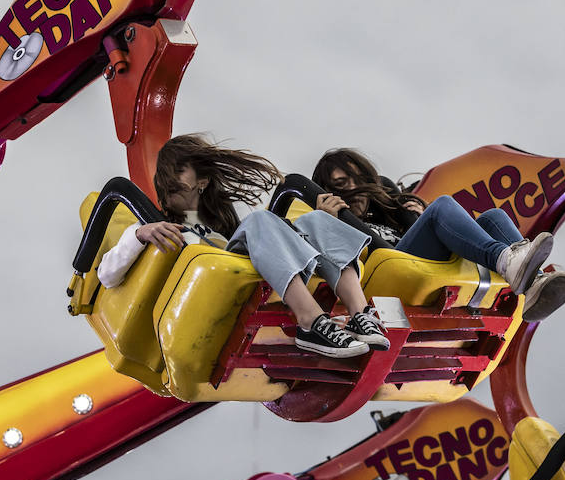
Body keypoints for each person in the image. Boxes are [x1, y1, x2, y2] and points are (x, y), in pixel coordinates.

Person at [98, 135, 386, 359]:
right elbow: (106, 275)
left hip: (241, 278)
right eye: (164, 176)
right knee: (262, 220)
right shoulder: (154, 229)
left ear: (202, 180)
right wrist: (139, 234)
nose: (168, 181)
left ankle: (360, 314)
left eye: (177, 171)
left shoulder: (222, 233)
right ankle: (310, 321)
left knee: (316, 222)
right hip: (201, 298)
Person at [309, 148, 565, 322]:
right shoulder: (331, 218)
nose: (355, 189)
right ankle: (506, 261)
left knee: (493, 217)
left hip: (421, 266)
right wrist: (324, 222)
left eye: (358, 179)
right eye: (343, 185)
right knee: (442, 206)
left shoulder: (386, 211)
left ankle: (533, 285)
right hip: (387, 278)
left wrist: (417, 217)